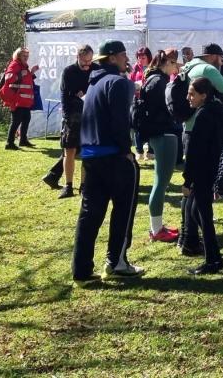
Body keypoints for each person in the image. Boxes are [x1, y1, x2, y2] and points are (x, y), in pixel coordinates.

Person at [71, 40, 143, 284]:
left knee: (90, 214)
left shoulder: (93, 83)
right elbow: (120, 121)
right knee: (123, 210)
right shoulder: (120, 83)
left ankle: (81, 271)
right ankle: (117, 261)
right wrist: (127, 150)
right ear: (112, 58)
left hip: (90, 156)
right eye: (124, 55)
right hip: (113, 155)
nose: (127, 59)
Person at [182, 77, 223, 274]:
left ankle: (213, 260)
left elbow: (196, 150)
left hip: (204, 171)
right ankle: (214, 255)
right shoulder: (218, 109)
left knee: (203, 214)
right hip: (212, 169)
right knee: (196, 211)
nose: (188, 97)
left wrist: (188, 179)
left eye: (192, 94)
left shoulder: (204, 115)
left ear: (203, 95)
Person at [137, 49, 182, 242]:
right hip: (163, 134)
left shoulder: (153, 78)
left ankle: (157, 226)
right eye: (175, 64)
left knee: (160, 182)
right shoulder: (159, 81)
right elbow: (167, 108)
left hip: (159, 134)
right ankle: (156, 230)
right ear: (169, 62)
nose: (176, 68)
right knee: (161, 182)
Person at [43, 46, 98, 197]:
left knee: (87, 151)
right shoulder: (69, 71)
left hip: (90, 115)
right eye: (84, 61)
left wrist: (83, 93)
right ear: (78, 57)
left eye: (89, 60)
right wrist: (82, 94)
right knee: (70, 151)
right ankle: (68, 186)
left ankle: (83, 186)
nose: (87, 64)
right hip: (72, 115)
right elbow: (70, 94)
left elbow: (91, 91)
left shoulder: (95, 69)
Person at [2, 47, 38, 151]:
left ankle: (23, 140)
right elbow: (8, 78)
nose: (26, 58)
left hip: (24, 100)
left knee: (26, 119)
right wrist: (19, 74)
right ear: (18, 56)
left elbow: (25, 79)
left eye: (27, 56)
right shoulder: (15, 64)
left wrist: (31, 72)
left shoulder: (23, 66)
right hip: (17, 99)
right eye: (24, 56)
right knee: (16, 121)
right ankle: (9, 143)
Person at [129, 46, 153, 161]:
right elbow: (131, 81)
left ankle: (150, 151)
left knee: (151, 124)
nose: (141, 60)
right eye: (139, 57)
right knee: (137, 125)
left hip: (149, 100)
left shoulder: (153, 67)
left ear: (148, 57)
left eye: (143, 57)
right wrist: (135, 87)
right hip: (137, 100)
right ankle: (139, 151)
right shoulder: (135, 68)